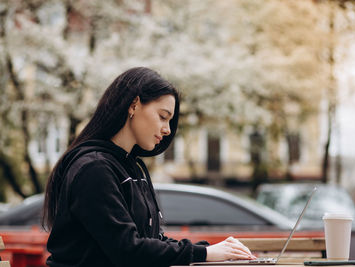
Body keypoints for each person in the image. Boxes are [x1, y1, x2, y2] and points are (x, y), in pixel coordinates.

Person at [43, 67, 256, 267]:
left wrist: (210, 250)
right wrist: (205, 254)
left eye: (170, 122)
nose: (166, 129)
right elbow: (127, 249)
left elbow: (149, 241)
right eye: (163, 117)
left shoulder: (129, 167)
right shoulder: (94, 168)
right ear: (134, 105)